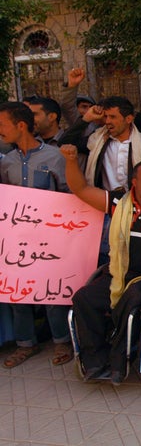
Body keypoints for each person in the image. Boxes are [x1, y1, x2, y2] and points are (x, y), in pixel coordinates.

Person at [60, 144, 141, 385]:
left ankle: (119, 360)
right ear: (134, 182)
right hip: (117, 275)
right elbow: (79, 189)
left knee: (131, 296)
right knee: (83, 298)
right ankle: (95, 362)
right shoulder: (117, 204)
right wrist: (71, 159)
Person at [0, 102, 72, 369]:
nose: (0, 131)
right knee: (17, 292)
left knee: (51, 291)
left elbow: (69, 195)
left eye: (2, 125)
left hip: (49, 238)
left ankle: (62, 340)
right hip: (16, 240)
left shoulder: (54, 157)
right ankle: (25, 344)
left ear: (21, 125)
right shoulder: (7, 162)